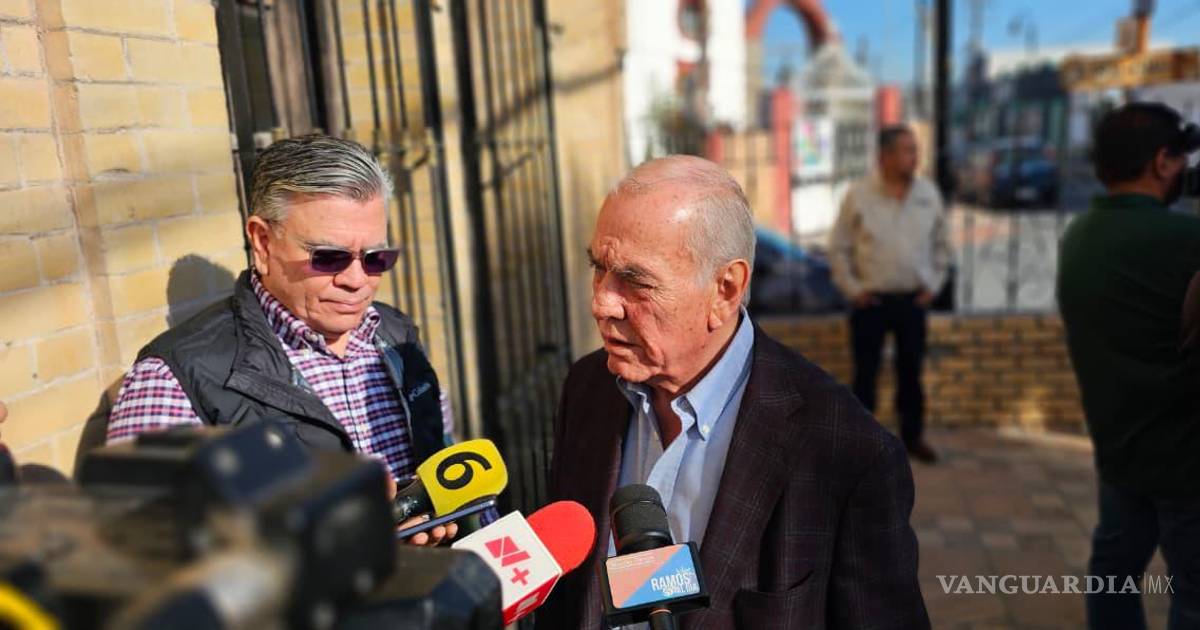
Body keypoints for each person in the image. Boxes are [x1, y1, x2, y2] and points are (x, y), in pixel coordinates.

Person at [536, 156, 928, 629]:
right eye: (598, 268)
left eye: (635, 281)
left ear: (725, 289)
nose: (601, 302)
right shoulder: (587, 389)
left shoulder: (848, 453)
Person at [105, 135, 457, 545]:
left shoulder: (396, 335)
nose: (356, 280)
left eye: (376, 258)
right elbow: (138, 550)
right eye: (329, 257)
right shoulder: (173, 378)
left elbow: (444, 452)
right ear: (262, 241)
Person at [1057, 102, 1200, 630]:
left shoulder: (1079, 235)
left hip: (1120, 451)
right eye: (1181, 159)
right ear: (1162, 162)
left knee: (1113, 574)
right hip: (1187, 464)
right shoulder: (1184, 242)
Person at [828, 124, 950, 464]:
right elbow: (838, 248)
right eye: (907, 150)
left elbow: (942, 246)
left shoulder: (928, 194)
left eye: (915, 150)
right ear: (885, 156)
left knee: (911, 374)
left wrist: (933, 286)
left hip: (913, 301)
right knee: (865, 375)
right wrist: (854, 290)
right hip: (871, 302)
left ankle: (912, 437)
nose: (915, 157)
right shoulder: (859, 195)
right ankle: (862, 445)